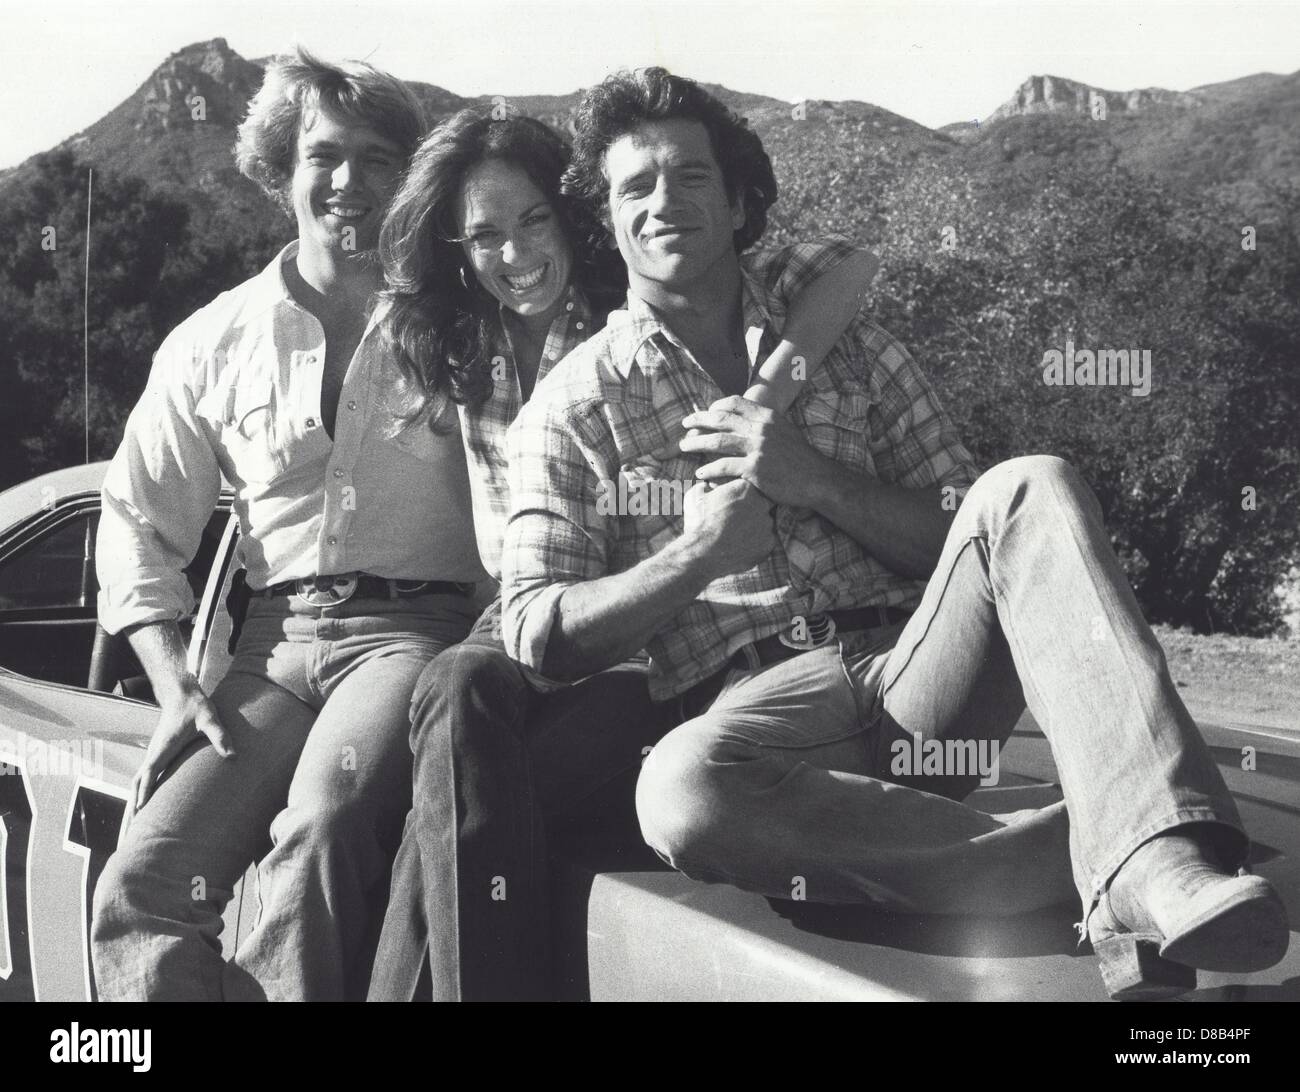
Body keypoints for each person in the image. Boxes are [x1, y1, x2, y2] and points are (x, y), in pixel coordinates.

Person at [499, 66, 1289, 1001]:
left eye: (691, 176)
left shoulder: (847, 342)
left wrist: (814, 479)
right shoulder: (573, 406)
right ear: (608, 218)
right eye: (636, 186)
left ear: (740, 196)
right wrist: (696, 555)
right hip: (767, 729)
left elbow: (968, 538)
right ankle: (1093, 854)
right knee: (678, 789)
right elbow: (537, 632)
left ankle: (1159, 863)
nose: (664, 201)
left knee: (1030, 483)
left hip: (921, 674)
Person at [366, 106, 880, 1000]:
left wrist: (761, 399)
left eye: (534, 222)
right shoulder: (467, 353)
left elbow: (849, 265)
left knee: (449, 774)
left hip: (653, 629)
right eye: (486, 236)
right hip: (533, 626)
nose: (517, 255)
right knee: (456, 704)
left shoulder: (638, 299)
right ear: (458, 252)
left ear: (571, 219)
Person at [91, 48, 486, 1001]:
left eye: (380, 158)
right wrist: (175, 682)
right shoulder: (214, 339)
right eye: (325, 155)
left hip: (409, 638)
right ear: (284, 169)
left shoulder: (464, 324)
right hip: (269, 654)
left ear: (410, 179)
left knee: (321, 829)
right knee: (140, 891)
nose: (349, 182)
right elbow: (136, 518)